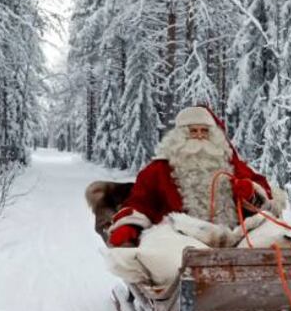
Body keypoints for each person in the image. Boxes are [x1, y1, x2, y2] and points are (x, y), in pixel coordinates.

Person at [108, 105, 274, 248]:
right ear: (180, 136)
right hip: (179, 240)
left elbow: (264, 194)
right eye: (193, 131)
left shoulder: (230, 165)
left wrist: (251, 194)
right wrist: (129, 225)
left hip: (232, 239)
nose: (200, 136)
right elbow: (141, 202)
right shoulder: (158, 169)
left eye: (205, 131)